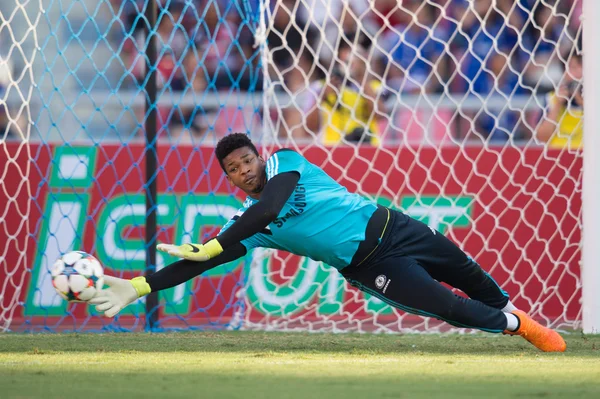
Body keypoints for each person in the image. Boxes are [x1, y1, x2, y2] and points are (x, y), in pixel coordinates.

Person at [91, 133, 567, 352]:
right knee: (447, 306)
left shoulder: (284, 163)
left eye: (246, 160)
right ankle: (516, 325)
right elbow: (197, 265)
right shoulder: (247, 224)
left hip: (393, 226)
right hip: (372, 265)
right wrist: (138, 286)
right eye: (234, 170)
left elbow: (270, 207)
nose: (244, 171)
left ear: (259, 154)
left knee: (472, 277)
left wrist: (214, 244)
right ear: (230, 179)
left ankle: (504, 310)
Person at [537, 53, 583, 150]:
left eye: (582, 66)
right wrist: (557, 105)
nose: (580, 72)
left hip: (588, 155)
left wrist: (583, 104)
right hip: (557, 155)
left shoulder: (595, 102)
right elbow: (542, 138)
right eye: (573, 67)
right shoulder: (552, 98)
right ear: (564, 71)